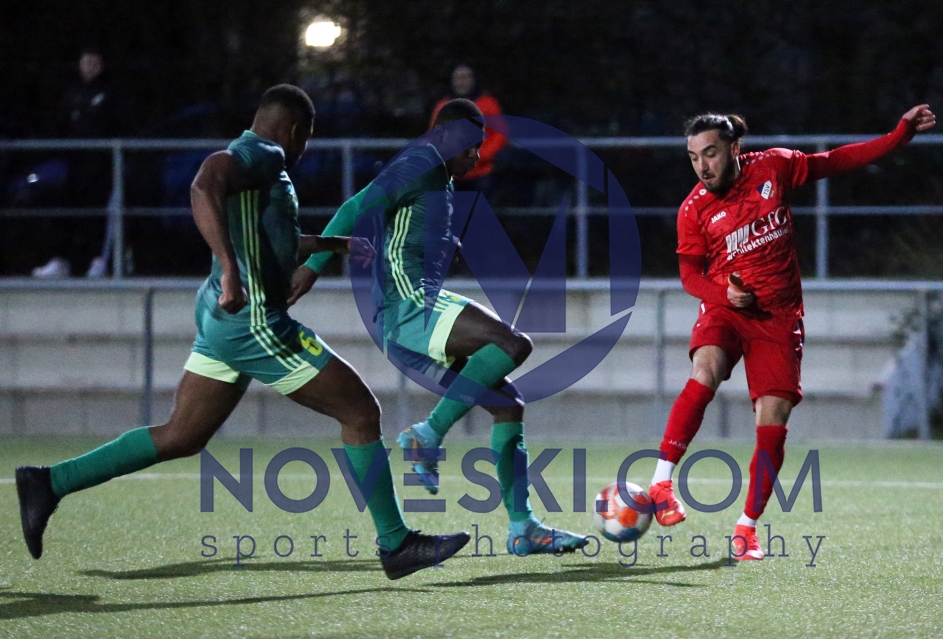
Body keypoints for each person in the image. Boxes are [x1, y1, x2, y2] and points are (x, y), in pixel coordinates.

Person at [15, 84, 469, 580]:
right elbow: (204, 184)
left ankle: (49, 482)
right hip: (253, 321)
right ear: (294, 130)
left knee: (182, 435)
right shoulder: (265, 153)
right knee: (361, 411)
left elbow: (272, 238)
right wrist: (231, 271)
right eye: (306, 138)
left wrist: (336, 246)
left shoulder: (258, 162)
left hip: (221, 320)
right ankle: (396, 543)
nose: (303, 149)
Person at [290, 98, 589, 556]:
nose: (476, 156)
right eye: (471, 147)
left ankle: (523, 527)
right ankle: (427, 436)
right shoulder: (418, 165)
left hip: (415, 309)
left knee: (508, 405)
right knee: (512, 344)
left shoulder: (439, 178)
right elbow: (354, 207)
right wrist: (311, 268)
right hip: (406, 306)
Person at [648, 104, 937, 560]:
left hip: (779, 317)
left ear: (735, 149)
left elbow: (836, 160)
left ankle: (746, 528)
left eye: (711, 153)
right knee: (705, 370)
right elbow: (689, 277)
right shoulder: (694, 209)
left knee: (773, 419)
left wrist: (898, 136)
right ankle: (661, 483)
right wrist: (725, 295)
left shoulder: (774, 167)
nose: (702, 166)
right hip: (725, 309)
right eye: (693, 157)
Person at [33, 49, 124, 279]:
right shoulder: (72, 93)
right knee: (66, 211)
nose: (90, 66)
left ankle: (98, 262)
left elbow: (120, 126)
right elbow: (59, 126)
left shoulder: (110, 93)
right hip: (74, 166)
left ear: (101, 65)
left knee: (96, 214)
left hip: (101, 166)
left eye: (94, 62)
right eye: (86, 62)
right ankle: (61, 261)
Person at [428, 65, 505, 192]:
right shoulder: (442, 106)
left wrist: (482, 155)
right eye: (458, 78)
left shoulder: (488, 104)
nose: (462, 82)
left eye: (466, 77)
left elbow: (500, 135)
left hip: (481, 172)